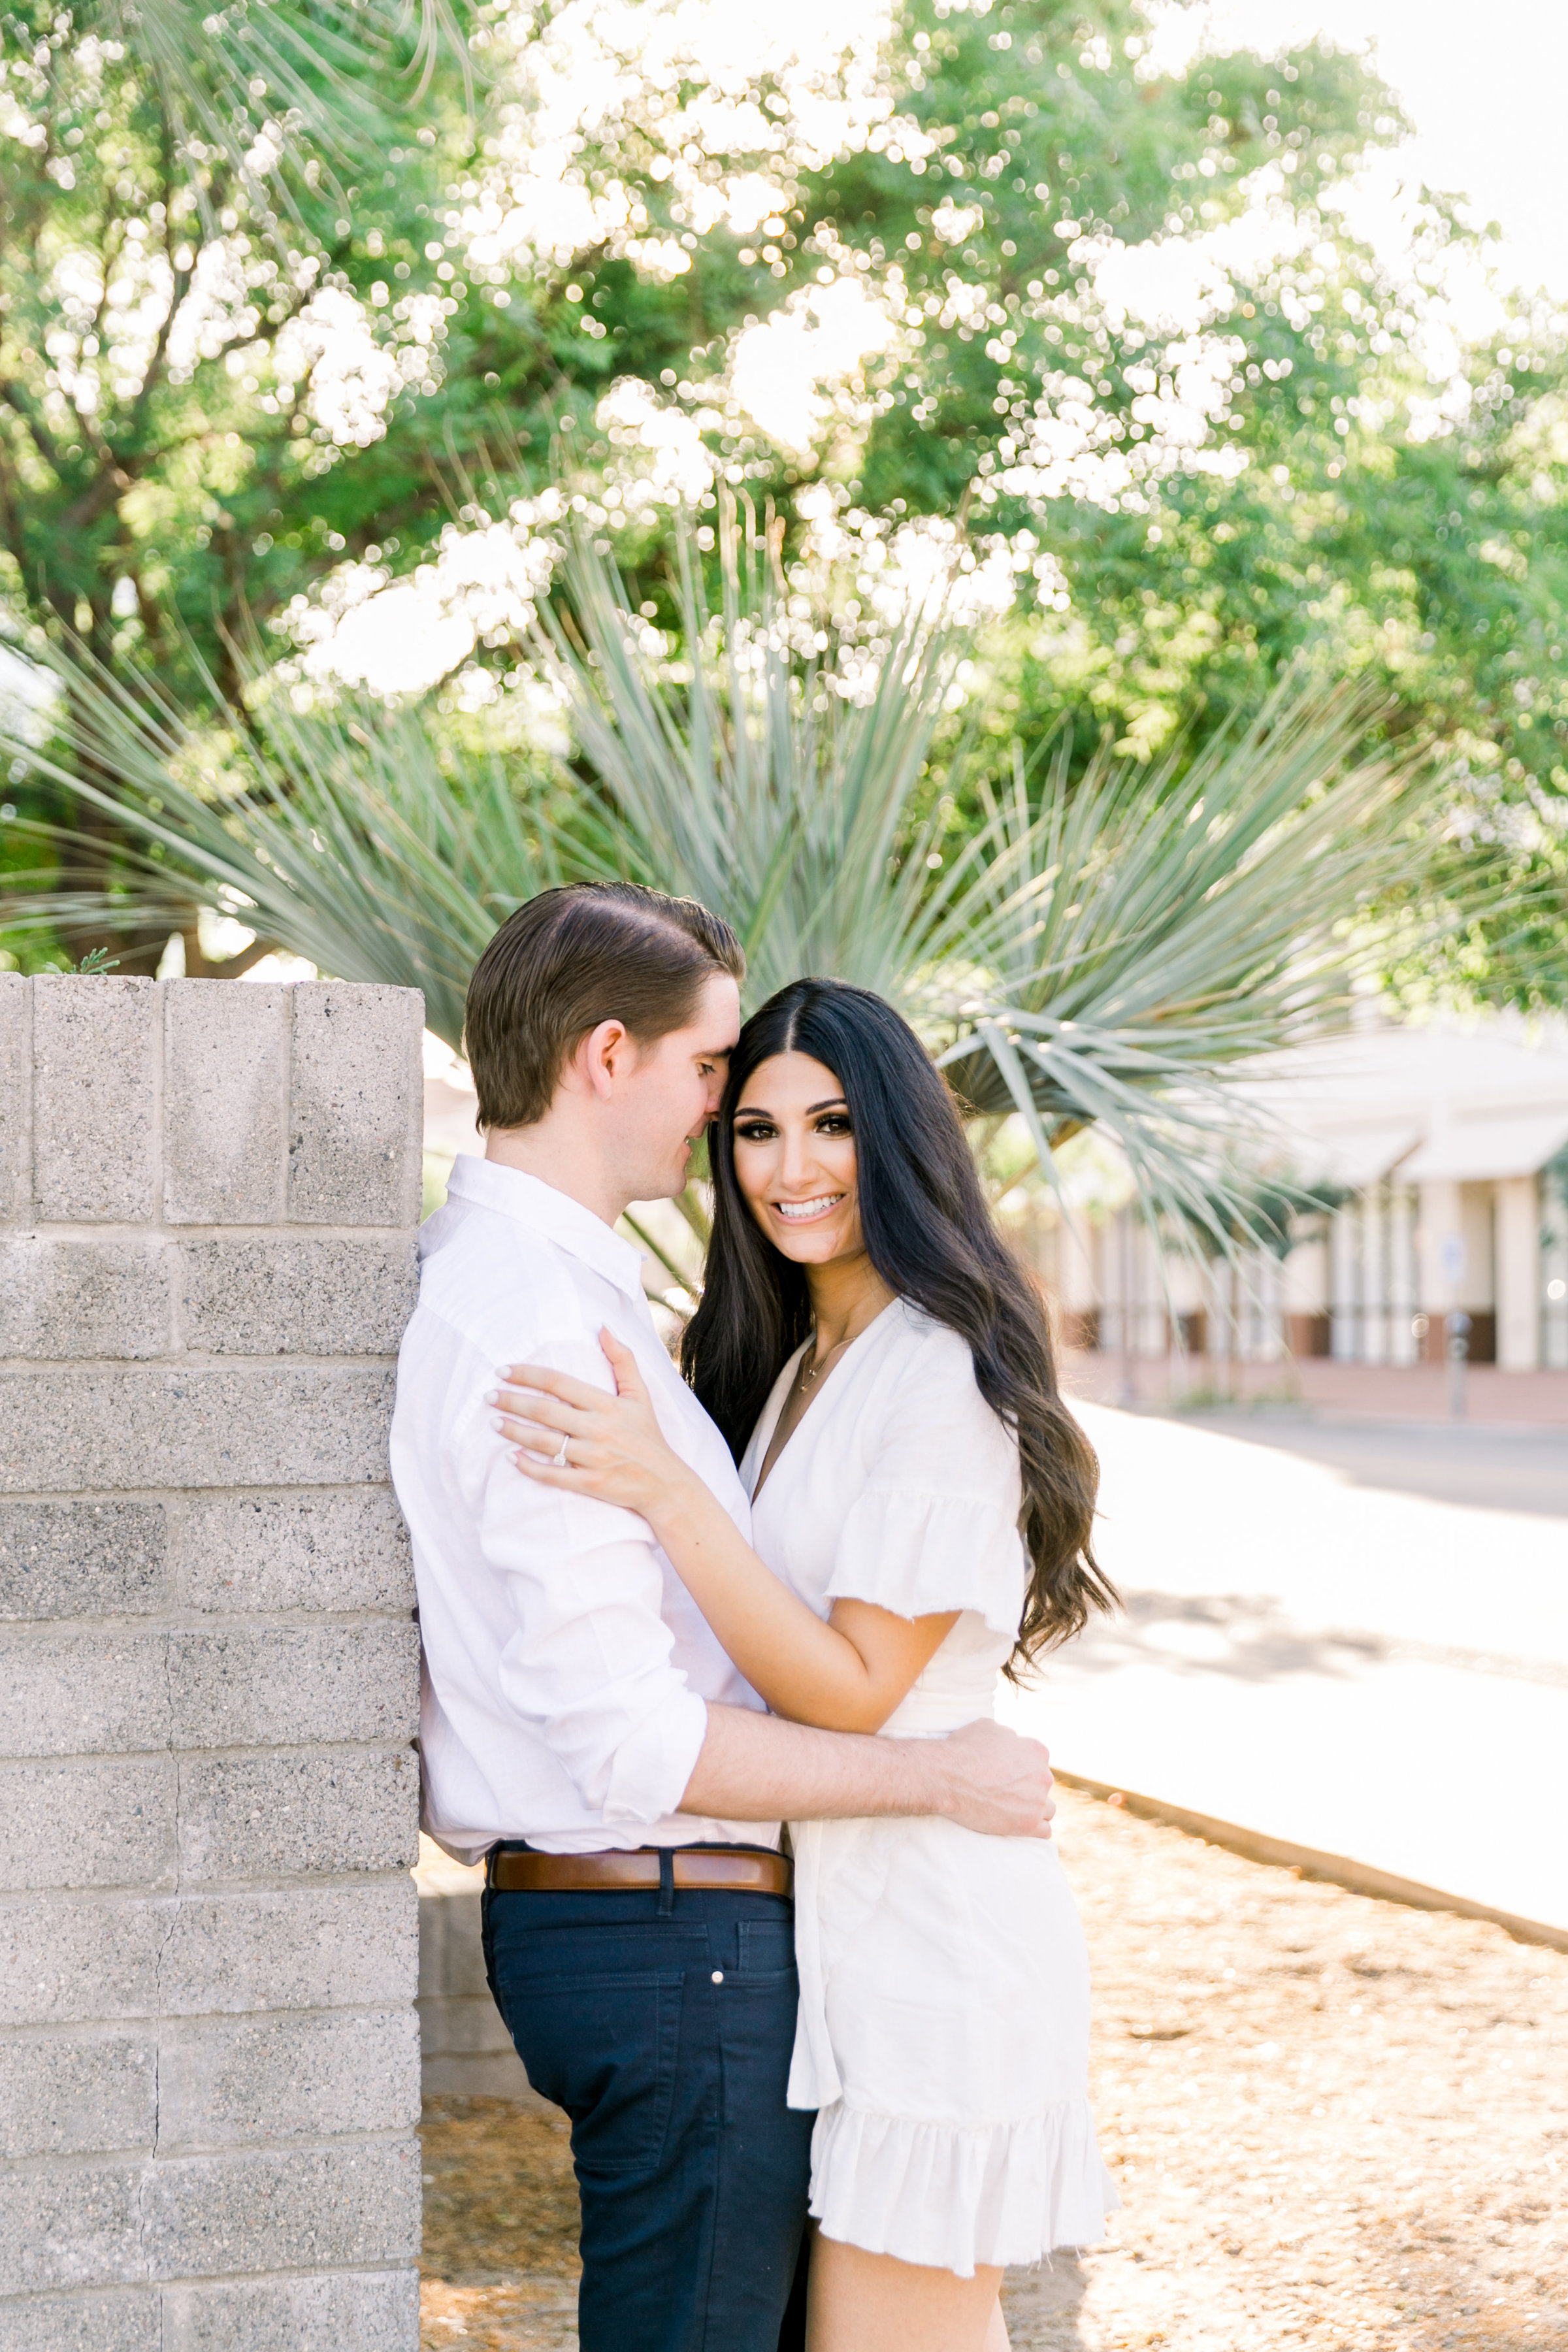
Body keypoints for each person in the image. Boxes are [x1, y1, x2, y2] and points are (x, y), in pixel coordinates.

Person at [390, 889, 1060, 2352]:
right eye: (731, 1096)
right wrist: (944, 1776)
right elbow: (636, 1733)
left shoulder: (605, 1309)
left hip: (857, 1921)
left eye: (824, 1123)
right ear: (608, 1056)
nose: (747, 1145)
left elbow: (830, 1671)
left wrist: (675, 1495)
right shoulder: (555, 1322)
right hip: (695, 1927)